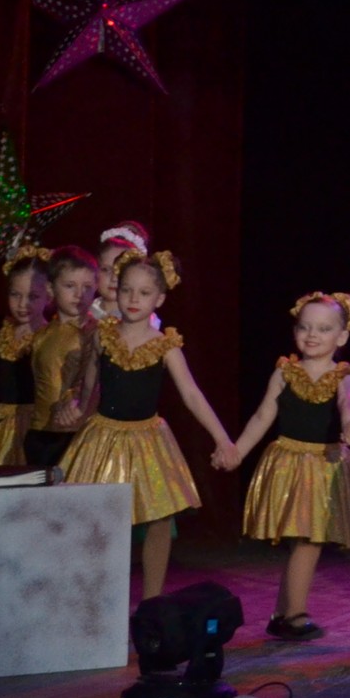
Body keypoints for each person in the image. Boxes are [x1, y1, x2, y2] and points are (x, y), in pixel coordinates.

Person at [61, 251, 239, 608]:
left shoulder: (165, 346)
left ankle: (152, 604)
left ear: (159, 299)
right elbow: (89, 388)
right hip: (104, 438)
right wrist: (75, 410)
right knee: (99, 518)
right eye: (127, 290)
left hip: (148, 440)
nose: (133, 299)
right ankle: (96, 601)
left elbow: (191, 394)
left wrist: (222, 438)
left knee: (159, 519)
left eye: (144, 293)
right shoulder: (102, 337)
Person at [229, 291, 350, 640]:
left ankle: (284, 613)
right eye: (305, 327)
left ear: (341, 337)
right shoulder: (284, 373)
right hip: (288, 464)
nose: (312, 335)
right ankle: (292, 614)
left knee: (307, 540)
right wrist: (237, 450)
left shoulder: (343, 375)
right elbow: (262, 416)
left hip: (323, 466)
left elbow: (348, 404)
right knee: (305, 540)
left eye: (323, 329)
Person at [21, 244, 96, 466]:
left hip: (76, 433)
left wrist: (74, 401)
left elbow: (93, 378)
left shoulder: (95, 333)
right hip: (40, 432)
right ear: (51, 289)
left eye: (87, 287)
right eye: (70, 286)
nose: (79, 294)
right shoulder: (41, 335)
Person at [0, 244, 51, 465]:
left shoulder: (50, 337)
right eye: (15, 295)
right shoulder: (1, 332)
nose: (22, 304)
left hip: (31, 430)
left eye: (32, 296)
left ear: (49, 296)